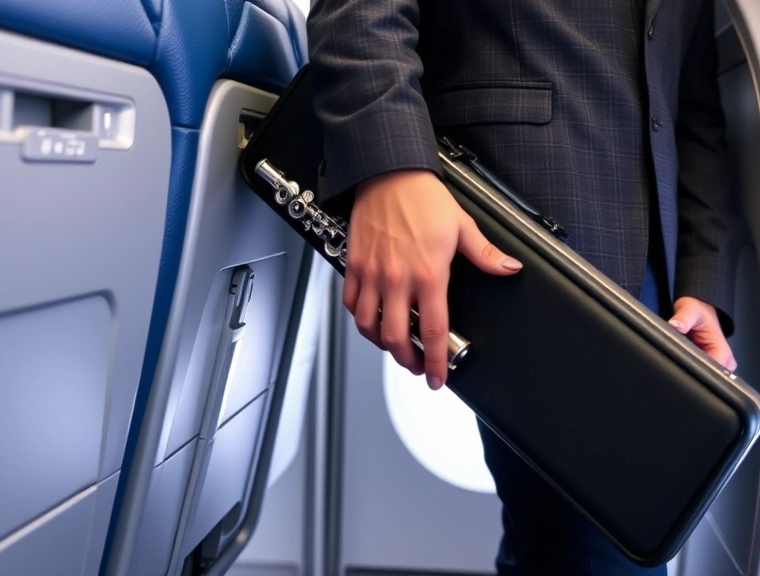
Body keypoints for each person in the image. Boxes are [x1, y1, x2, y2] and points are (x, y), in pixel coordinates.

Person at [306, 0, 738, 573]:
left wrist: (699, 279)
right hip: (519, 231)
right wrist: (392, 166)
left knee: (564, 548)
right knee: (599, 553)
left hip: (656, 280)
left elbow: (693, 102)